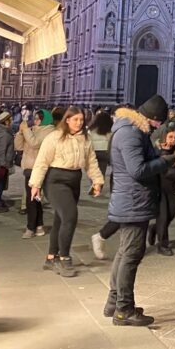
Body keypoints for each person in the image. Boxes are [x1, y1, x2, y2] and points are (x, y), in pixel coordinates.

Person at [104, 95, 175, 325]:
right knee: (131, 254)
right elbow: (137, 170)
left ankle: (114, 302)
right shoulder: (131, 132)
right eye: (158, 123)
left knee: (125, 252)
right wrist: (165, 161)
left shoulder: (130, 129)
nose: (158, 127)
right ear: (152, 118)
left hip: (131, 198)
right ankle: (124, 309)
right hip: (133, 200)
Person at [30, 106, 104, 276]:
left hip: (74, 181)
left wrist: (97, 181)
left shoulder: (85, 138)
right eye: (75, 119)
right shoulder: (54, 137)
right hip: (55, 180)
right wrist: (35, 184)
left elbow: (91, 161)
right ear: (67, 120)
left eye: (81, 119)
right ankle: (64, 258)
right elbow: (42, 161)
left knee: (60, 219)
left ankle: (50, 257)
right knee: (70, 216)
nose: (79, 122)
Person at [148, 128, 175, 256]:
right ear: (164, 137)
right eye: (170, 137)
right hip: (159, 190)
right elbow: (171, 174)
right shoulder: (158, 153)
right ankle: (163, 245)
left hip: (171, 190)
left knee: (171, 214)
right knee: (163, 218)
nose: (173, 140)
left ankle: (154, 228)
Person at [19, 109, 54, 238]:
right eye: (35, 119)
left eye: (38, 119)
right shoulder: (34, 130)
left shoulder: (49, 131)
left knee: (31, 199)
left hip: (38, 168)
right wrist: (20, 132)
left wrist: (26, 131)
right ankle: (39, 225)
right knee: (36, 198)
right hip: (29, 168)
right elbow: (18, 146)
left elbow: (34, 143)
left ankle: (30, 227)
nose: (35, 121)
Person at [0, 109, 15, 211]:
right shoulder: (5, 134)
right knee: (0, 183)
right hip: (2, 163)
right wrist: (3, 164)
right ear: (6, 121)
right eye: (10, 119)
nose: (12, 121)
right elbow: (1, 150)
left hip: (0, 162)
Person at [88, 110, 113, 176]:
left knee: (93, 173)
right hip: (105, 152)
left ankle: (94, 184)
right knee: (102, 172)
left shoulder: (91, 129)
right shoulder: (109, 130)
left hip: (93, 152)